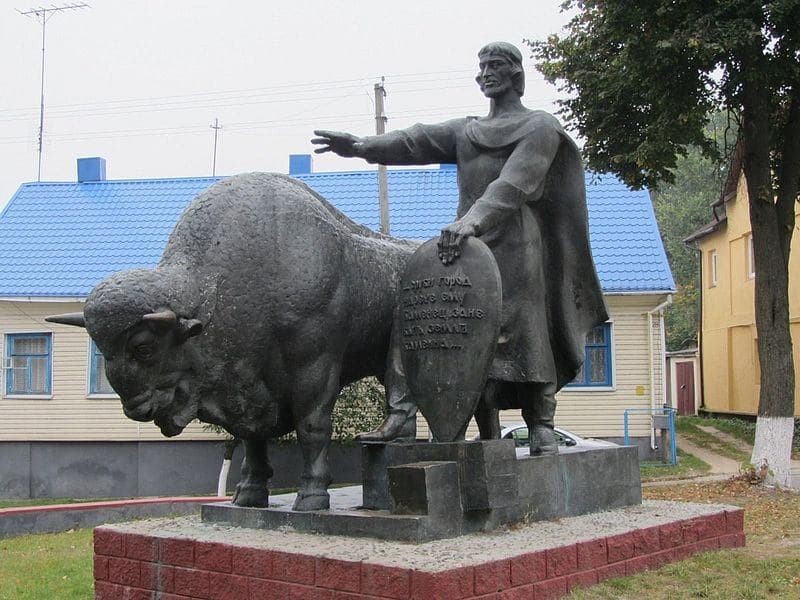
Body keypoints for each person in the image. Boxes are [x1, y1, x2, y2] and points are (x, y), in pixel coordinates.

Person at [312, 42, 607, 454]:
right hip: (465, 246)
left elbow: (515, 183)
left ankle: (540, 422)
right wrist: (362, 146)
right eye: (482, 66)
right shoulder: (467, 131)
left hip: (517, 246)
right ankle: (425, 418)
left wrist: (472, 220)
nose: (487, 73)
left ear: (516, 75)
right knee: (440, 322)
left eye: (496, 66)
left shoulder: (540, 127)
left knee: (523, 330)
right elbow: (415, 141)